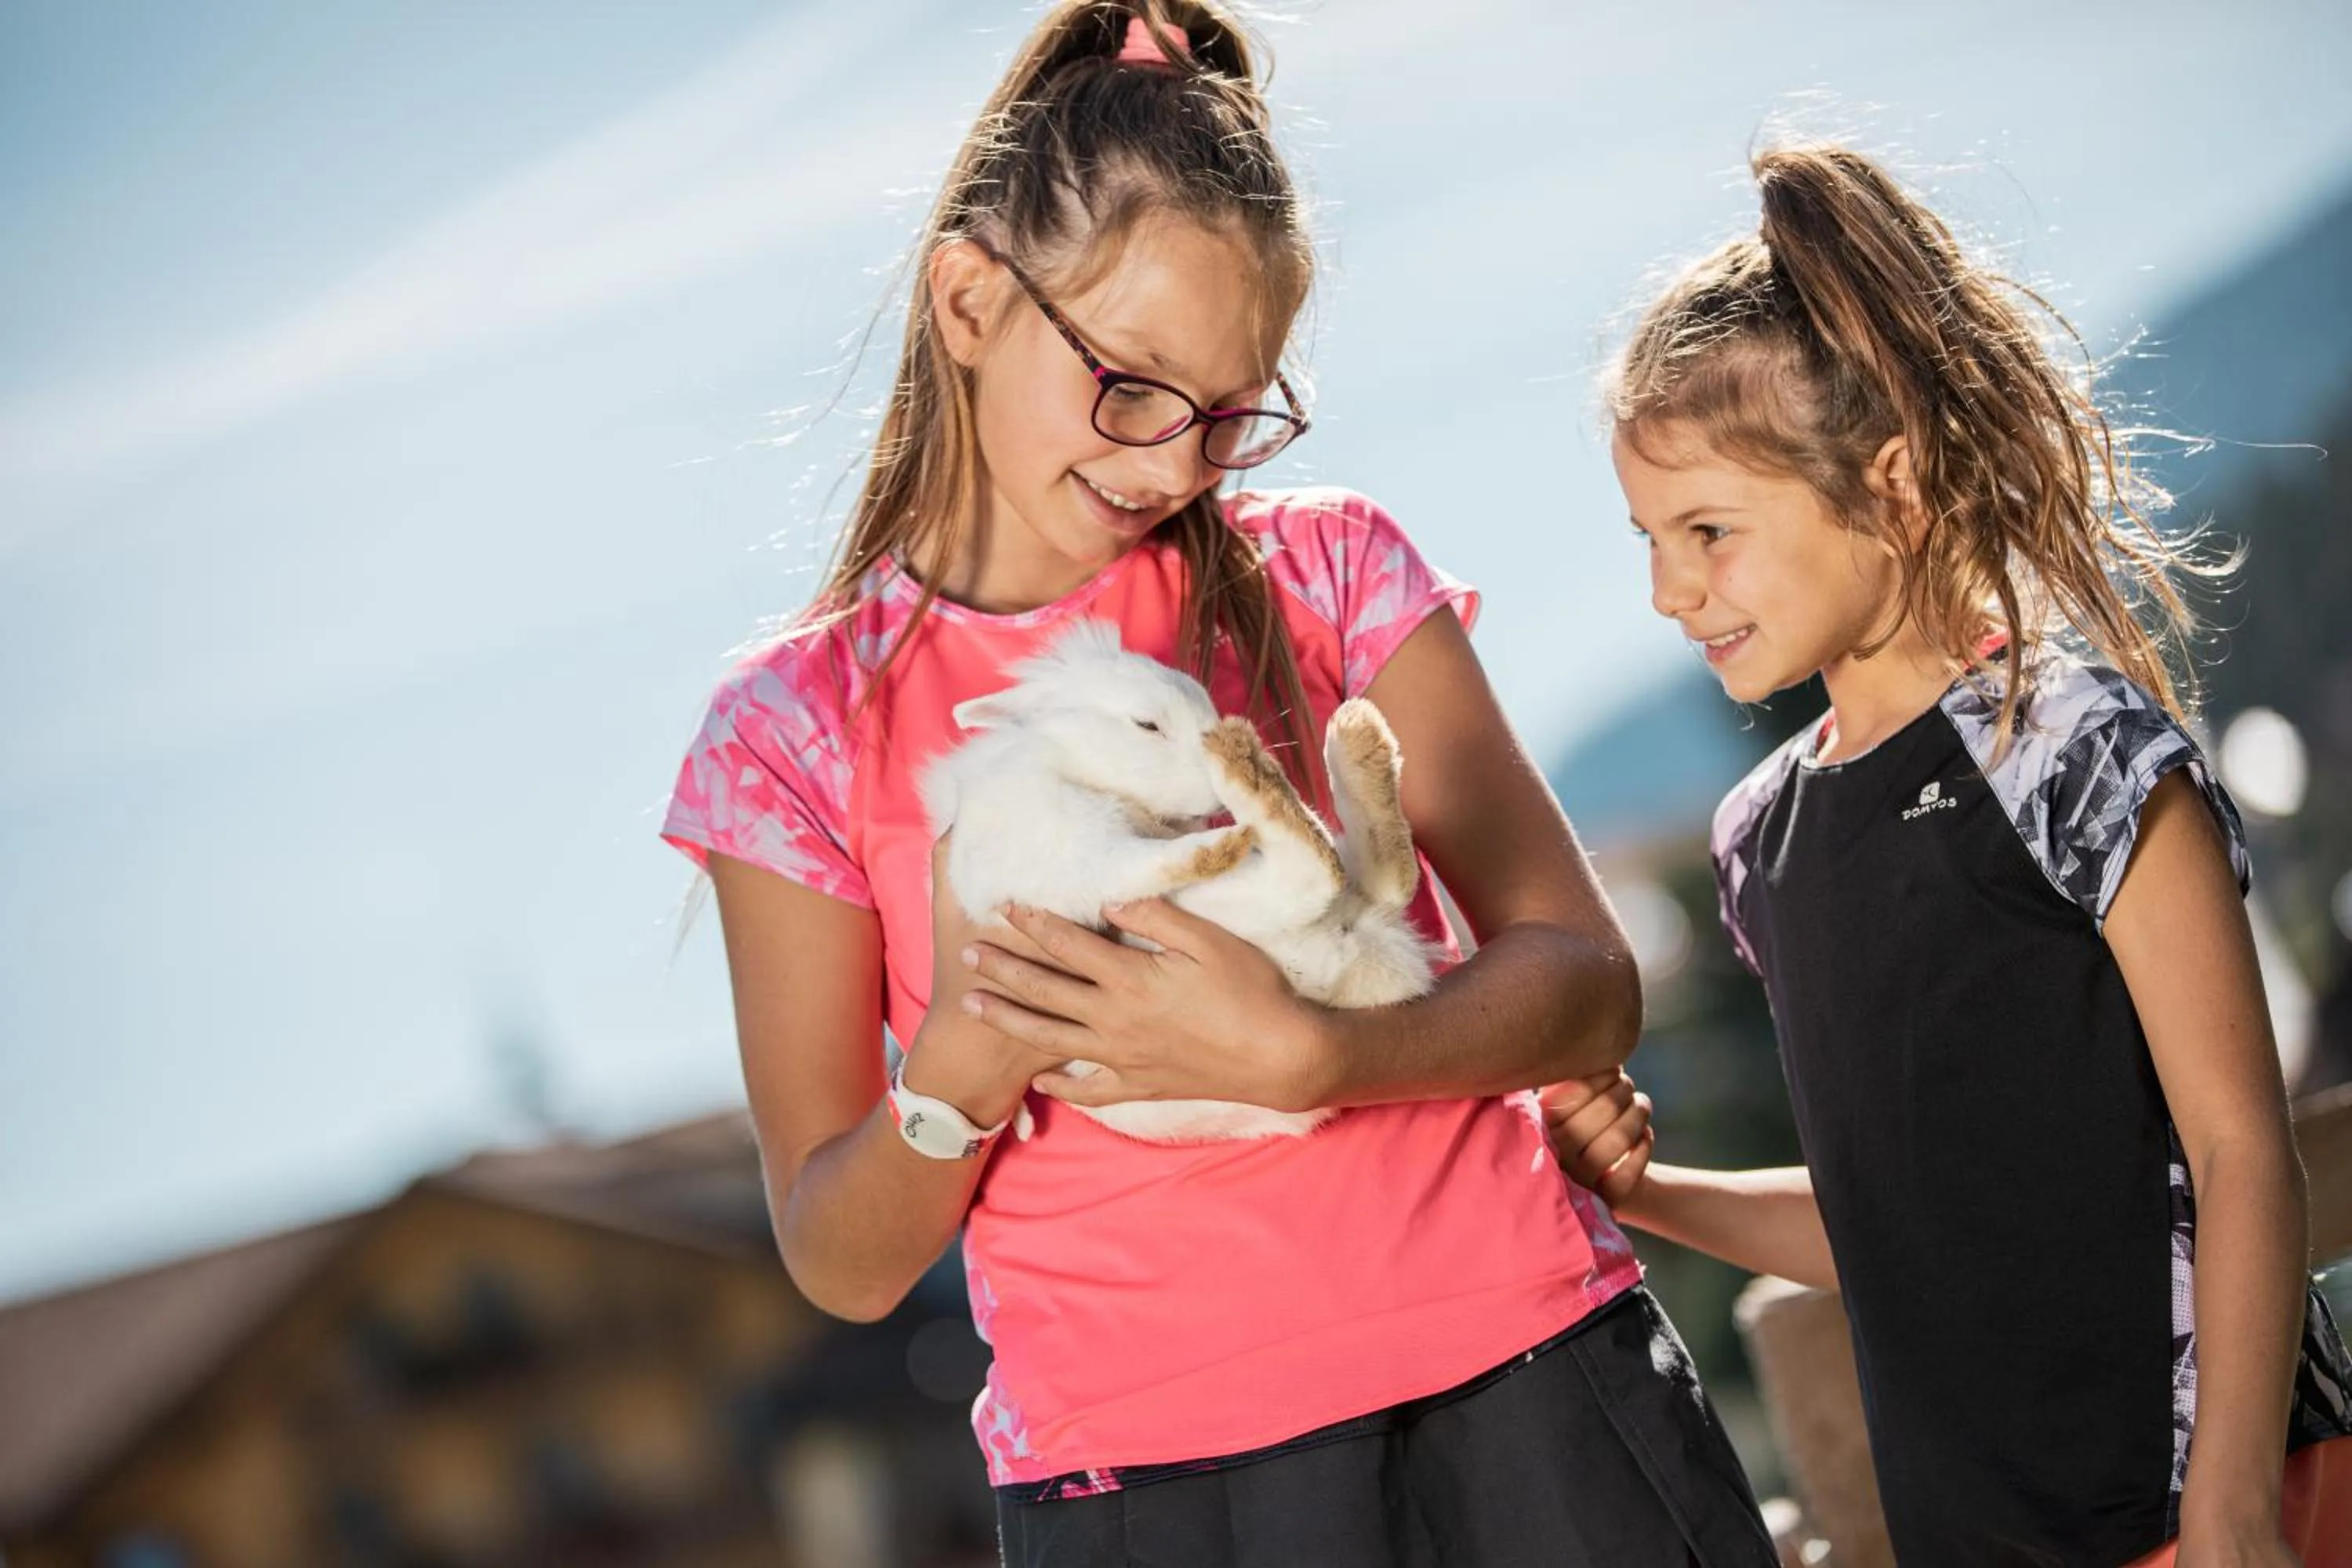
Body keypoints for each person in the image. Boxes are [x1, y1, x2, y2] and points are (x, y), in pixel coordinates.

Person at [661, 4, 1780, 1563]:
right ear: (969, 299)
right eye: (1131, 386)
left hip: (1533, 1376)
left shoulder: (1327, 571)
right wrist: (968, 1058)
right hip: (1150, 1491)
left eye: (1232, 413)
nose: (1177, 462)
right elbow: (842, 1258)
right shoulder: (790, 730)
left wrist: (1324, 1054)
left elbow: (1585, 982)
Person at [1546, 142, 2352, 1566]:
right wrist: (1643, 1192)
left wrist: (2232, 1507)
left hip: (2223, 1506)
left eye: (1710, 531)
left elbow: (2241, 1150)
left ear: (1894, 484)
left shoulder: (2074, 750)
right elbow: (1890, 1228)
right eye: (1649, 539)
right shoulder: (1761, 844)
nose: (1670, 589)